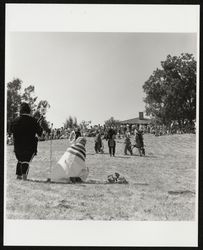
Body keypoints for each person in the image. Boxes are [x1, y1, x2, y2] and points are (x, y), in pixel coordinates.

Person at [10, 102, 43, 180]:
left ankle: (18, 176)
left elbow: (10, 131)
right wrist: (39, 124)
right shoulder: (34, 121)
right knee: (25, 161)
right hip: (29, 147)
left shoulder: (15, 120)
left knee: (20, 160)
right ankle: (24, 177)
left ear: (20, 111)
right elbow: (40, 134)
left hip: (17, 148)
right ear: (29, 111)